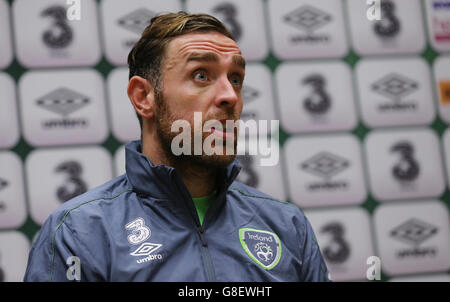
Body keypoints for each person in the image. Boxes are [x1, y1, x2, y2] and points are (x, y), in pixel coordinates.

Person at [24, 12, 330, 282]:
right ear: (144, 97)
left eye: (235, 79)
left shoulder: (286, 225)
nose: (230, 96)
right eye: (201, 75)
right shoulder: (79, 233)